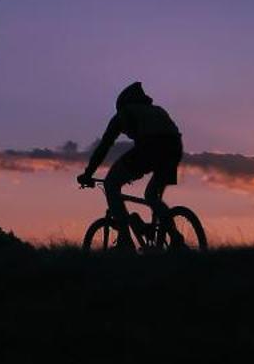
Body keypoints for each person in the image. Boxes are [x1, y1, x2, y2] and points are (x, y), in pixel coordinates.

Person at [78, 82, 184, 248]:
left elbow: (104, 147)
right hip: (174, 149)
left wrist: (88, 174)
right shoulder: (157, 110)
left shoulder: (124, 113)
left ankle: (125, 241)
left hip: (149, 147)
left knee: (111, 184)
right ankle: (176, 239)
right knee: (151, 197)